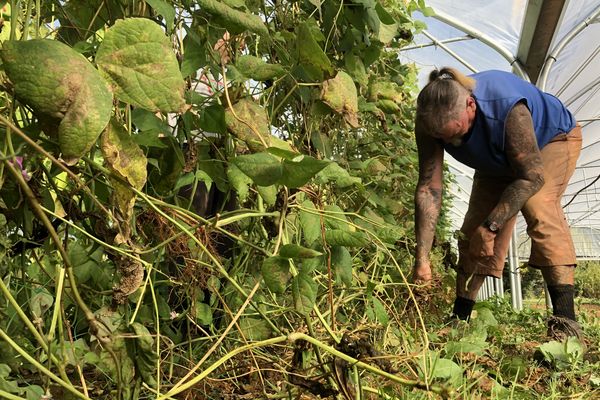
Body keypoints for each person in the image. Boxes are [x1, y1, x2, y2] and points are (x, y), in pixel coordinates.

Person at [412, 67, 583, 339]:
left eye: (454, 133)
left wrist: (492, 227)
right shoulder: (430, 120)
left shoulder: (505, 108)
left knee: (539, 209)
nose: (451, 142)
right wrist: (421, 259)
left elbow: (532, 176)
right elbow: (428, 188)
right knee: (472, 231)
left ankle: (566, 326)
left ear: (470, 105)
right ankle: (460, 319)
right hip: (497, 161)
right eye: (442, 138)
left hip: (551, 140)